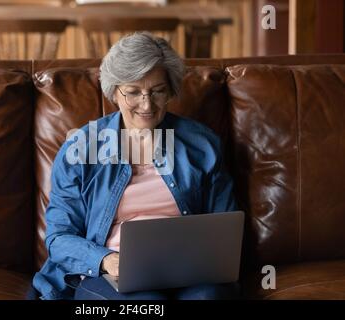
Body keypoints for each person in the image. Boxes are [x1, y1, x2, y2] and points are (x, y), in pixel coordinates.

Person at [33, 32, 239, 300]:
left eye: (157, 91)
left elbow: (225, 225)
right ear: (114, 92)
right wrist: (106, 260)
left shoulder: (202, 145)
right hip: (109, 274)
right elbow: (59, 238)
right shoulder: (81, 148)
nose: (146, 104)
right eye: (133, 92)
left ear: (170, 91)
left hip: (189, 272)